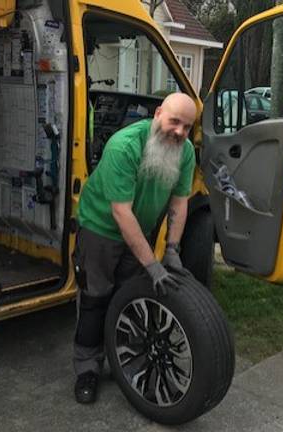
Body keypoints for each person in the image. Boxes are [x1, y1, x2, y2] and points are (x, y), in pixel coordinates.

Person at [72, 92, 197, 404]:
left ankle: (121, 362)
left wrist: (172, 249)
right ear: (158, 114)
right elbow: (121, 212)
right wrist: (151, 265)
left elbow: (180, 202)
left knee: (127, 299)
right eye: (174, 121)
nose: (180, 131)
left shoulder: (185, 152)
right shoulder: (124, 146)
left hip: (139, 231)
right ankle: (87, 369)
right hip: (100, 228)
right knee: (95, 299)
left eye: (187, 126)